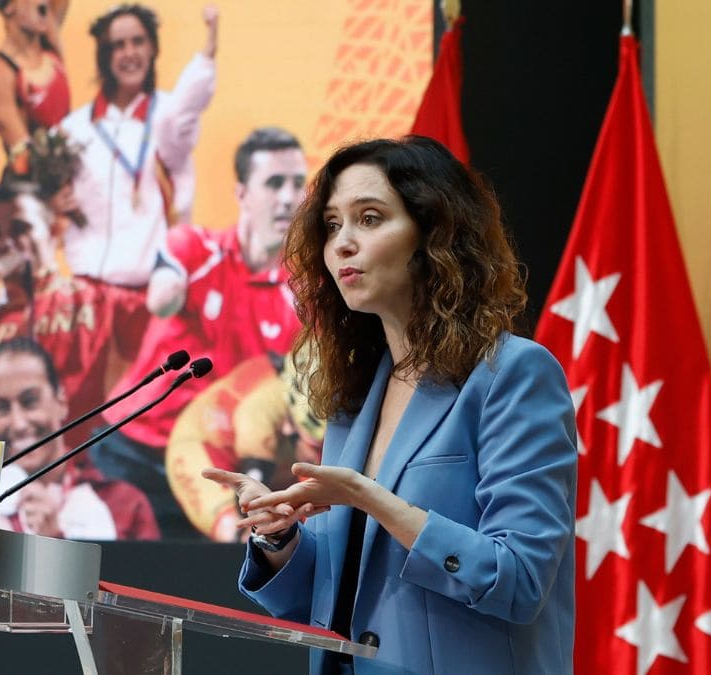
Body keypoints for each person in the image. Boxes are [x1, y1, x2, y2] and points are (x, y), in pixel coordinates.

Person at [202, 136, 577, 674]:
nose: (342, 244)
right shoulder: (352, 400)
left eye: (370, 219)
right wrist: (280, 535)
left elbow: (518, 579)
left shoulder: (513, 374)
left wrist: (371, 498)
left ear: (433, 234)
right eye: (332, 226)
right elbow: (339, 595)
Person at [93, 127, 306, 537]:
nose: (287, 197)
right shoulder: (195, 248)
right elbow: (162, 293)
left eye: (297, 184)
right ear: (242, 193)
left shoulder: (302, 297)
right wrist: (167, 292)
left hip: (209, 469)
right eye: (274, 182)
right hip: (133, 452)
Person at [0, 181, 147, 446]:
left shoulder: (96, 302)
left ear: (54, 232)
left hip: (73, 478)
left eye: (19, 228)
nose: (4, 243)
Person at [59, 3, 218, 289]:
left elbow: (189, 103)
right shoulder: (74, 128)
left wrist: (209, 48)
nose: (129, 53)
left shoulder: (169, 116)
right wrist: (54, 203)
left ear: (153, 48)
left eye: (138, 42)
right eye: (118, 45)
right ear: (104, 55)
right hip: (89, 285)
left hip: (154, 288)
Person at [0, 337, 159, 540]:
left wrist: (55, 540)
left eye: (30, 401)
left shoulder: (124, 505)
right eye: (0, 407)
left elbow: (142, 572)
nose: (18, 423)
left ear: (61, 401)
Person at [165, 351, 324, 542]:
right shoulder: (259, 416)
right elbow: (251, 503)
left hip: (269, 443)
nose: (320, 455)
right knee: (243, 534)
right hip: (200, 449)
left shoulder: (299, 399)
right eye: (316, 448)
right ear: (289, 426)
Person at [0, 0, 72, 154]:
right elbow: (25, 154)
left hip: (69, 166)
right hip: (35, 173)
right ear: (9, 6)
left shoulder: (49, 43)